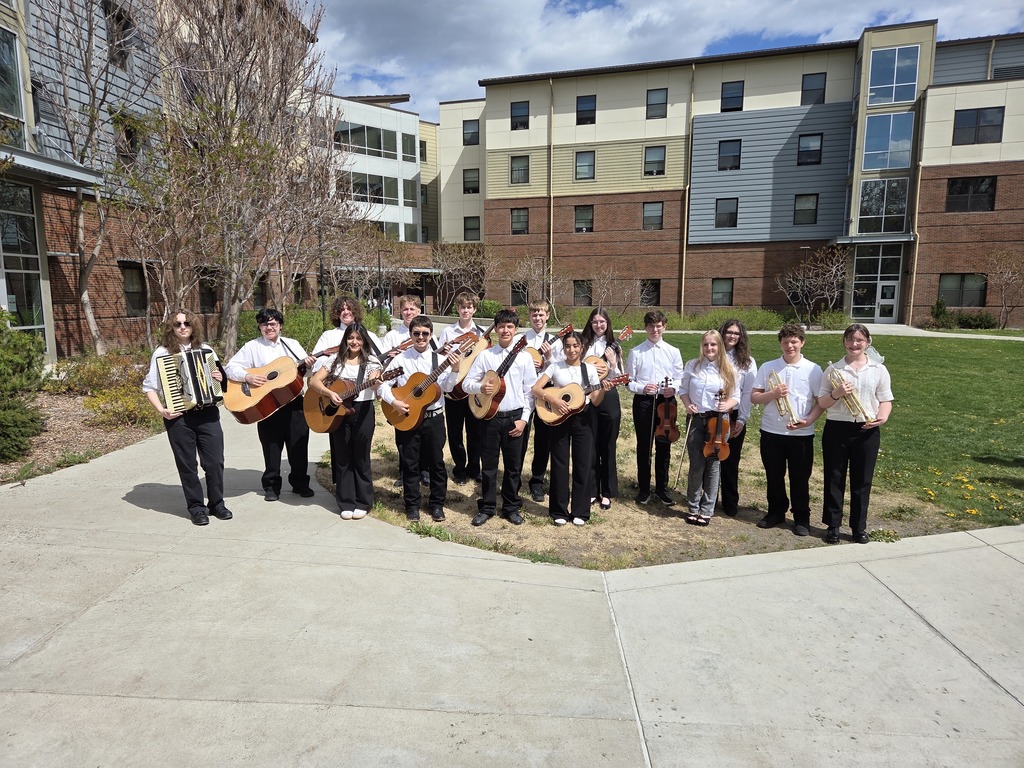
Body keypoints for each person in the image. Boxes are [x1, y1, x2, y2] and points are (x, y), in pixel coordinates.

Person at [142, 309, 230, 526]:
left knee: (215, 461)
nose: (183, 327)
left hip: (208, 413)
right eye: (178, 324)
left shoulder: (206, 350)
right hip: (179, 416)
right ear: (171, 328)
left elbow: (221, 383)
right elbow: (149, 387)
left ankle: (217, 503)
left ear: (194, 326)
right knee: (187, 464)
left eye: (187, 323)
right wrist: (162, 410)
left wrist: (220, 376)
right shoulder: (161, 353)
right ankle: (196, 507)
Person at [225, 308, 316, 501]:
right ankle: (271, 487)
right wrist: (247, 376)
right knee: (271, 447)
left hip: (294, 404)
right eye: (264, 324)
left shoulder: (291, 345)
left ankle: (300, 483)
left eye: (273, 323)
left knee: (298, 446)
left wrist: (308, 365)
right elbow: (231, 368)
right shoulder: (252, 347)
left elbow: (304, 374)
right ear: (259, 327)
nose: (269, 327)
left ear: (280, 325)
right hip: (267, 405)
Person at [379, 315, 463, 522]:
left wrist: (455, 369)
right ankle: (412, 505)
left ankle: (437, 505)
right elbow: (382, 384)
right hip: (407, 416)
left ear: (431, 335)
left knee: (436, 463)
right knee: (410, 464)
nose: (420, 337)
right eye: (416, 333)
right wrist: (393, 402)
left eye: (425, 333)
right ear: (410, 334)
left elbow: (448, 388)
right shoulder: (400, 359)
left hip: (433, 419)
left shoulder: (439, 360)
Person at [816, 324, 894, 544]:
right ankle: (833, 525)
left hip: (867, 429)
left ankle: (859, 527)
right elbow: (822, 402)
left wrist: (883, 416)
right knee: (834, 478)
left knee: (862, 480)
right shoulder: (834, 370)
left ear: (868, 342)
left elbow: (885, 399)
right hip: (837, 428)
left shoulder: (879, 370)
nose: (854, 344)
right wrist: (836, 393)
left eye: (859, 340)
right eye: (850, 340)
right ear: (844, 342)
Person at [460, 308, 537, 526]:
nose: (505, 330)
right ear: (496, 329)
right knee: (489, 465)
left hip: (514, 417)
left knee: (513, 467)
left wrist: (523, 419)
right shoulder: (486, 356)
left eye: (509, 327)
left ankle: (511, 507)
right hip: (490, 419)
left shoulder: (524, 358)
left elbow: (529, 392)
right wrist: (480, 387)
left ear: (516, 330)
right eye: (501, 326)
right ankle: (488, 506)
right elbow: (467, 384)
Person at [749, 324, 825, 536]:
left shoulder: (813, 369)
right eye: (785, 342)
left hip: (801, 434)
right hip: (771, 431)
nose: (789, 346)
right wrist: (772, 394)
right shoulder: (768, 367)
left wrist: (808, 421)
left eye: (794, 341)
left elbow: (821, 402)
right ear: (780, 343)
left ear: (802, 342)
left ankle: (801, 518)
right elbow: (754, 397)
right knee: (774, 475)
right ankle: (775, 512)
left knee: (800, 477)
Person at [531, 331, 607, 526]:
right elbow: (536, 389)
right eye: (567, 346)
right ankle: (559, 510)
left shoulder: (589, 369)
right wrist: (554, 399)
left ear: (582, 348)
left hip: (583, 419)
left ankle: (581, 511)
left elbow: (596, 401)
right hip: (560, 418)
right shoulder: (555, 366)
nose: (571, 350)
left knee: (583, 464)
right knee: (559, 463)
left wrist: (603, 389)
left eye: (575, 346)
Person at [307, 324, 381, 519]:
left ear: (364, 341)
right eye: (350, 338)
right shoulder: (335, 360)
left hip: (363, 411)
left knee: (361, 456)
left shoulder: (372, 362)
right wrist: (330, 393)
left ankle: (363, 502)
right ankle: (346, 502)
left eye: (358, 338)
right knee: (342, 456)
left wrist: (377, 382)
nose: (354, 342)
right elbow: (314, 381)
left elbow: (374, 383)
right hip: (339, 412)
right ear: (345, 340)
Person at [679, 330, 739, 526]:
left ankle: (707, 509)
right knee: (696, 465)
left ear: (719, 346)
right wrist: (688, 404)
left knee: (713, 465)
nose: (709, 348)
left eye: (713, 345)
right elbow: (684, 390)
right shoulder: (692, 366)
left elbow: (736, 396)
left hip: (718, 422)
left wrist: (727, 405)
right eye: (706, 345)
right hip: (697, 419)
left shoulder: (729, 369)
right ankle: (693, 507)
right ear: (702, 346)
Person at [626, 310, 685, 505]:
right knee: (644, 446)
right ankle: (644, 488)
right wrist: (642, 387)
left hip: (666, 402)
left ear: (664, 327)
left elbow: (680, 377)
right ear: (645, 328)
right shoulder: (636, 352)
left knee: (664, 445)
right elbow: (629, 382)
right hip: (644, 402)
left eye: (658, 326)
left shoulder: (673, 351)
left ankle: (662, 488)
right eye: (651, 326)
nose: (655, 330)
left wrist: (673, 388)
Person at [436, 291, 487, 485]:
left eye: (469, 307)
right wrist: (446, 352)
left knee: (475, 432)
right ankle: (459, 469)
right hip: (453, 387)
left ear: (474, 309)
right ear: (457, 308)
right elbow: (440, 359)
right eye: (462, 307)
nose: (466, 310)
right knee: (455, 431)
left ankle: (474, 468)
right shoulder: (449, 333)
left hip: (472, 389)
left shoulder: (480, 333)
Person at [518, 300, 563, 502]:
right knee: (519, 436)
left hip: (545, 391)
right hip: (523, 391)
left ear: (547, 317)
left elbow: (560, 371)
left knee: (543, 440)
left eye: (541, 314)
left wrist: (549, 358)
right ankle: (514, 479)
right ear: (530, 316)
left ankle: (536, 481)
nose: (538, 318)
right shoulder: (521, 339)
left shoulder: (556, 341)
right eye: (534, 314)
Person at [383, 295, 430, 487]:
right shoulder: (392, 336)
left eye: (413, 309)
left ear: (419, 310)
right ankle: (404, 472)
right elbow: (383, 364)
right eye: (405, 309)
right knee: (403, 433)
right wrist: (391, 356)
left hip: (423, 390)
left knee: (426, 436)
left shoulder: (427, 333)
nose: (409, 312)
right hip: (400, 389)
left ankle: (425, 470)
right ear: (400, 311)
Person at [581, 307, 624, 510]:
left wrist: (613, 364)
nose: (599, 325)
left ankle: (607, 491)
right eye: (595, 321)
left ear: (607, 324)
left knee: (607, 444)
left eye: (602, 322)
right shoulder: (583, 344)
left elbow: (621, 378)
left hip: (608, 396)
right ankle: (590, 490)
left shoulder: (614, 346)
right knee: (589, 443)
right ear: (590, 323)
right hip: (588, 396)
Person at [718, 319, 757, 516]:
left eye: (736, 333)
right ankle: (707, 497)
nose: (732, 336)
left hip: (734, 415)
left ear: (741, 337)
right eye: (729, 332)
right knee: (709, 457)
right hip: (712, 414)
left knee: (731, 461)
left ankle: (730, 501)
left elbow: (749, 392)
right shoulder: (712, 355)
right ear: (722, 333)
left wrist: (742, 419)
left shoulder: (748, 362)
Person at [311, 294, 382, 359]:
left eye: (349, 309)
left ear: (355, 311)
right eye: (341, 310)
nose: (346, 312)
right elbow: (316, 362)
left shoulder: (369, 335)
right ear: (337, 314)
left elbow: (382, 359)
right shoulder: (328, 336)